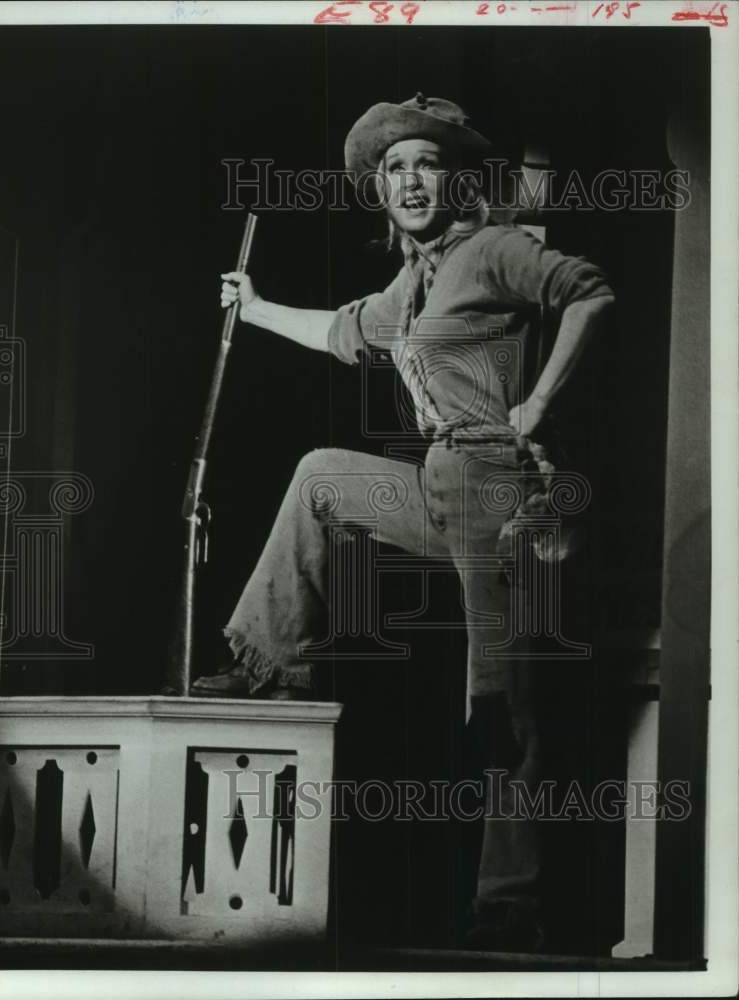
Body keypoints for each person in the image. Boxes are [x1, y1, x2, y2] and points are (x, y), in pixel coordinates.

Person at [191, 94, 615, 949]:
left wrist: (537, 402)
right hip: (437, 480)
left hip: (499, 487)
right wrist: (256, 305)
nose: (410, 180)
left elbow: (591, 295)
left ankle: (508, 905)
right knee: (320, 478)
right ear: (379, 192)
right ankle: (273, 664)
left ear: (455, 179)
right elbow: (347, 331)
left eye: (425, 164)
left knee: (498, 704)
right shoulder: (414, 280)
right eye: (393, 169)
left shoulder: (493, 249)